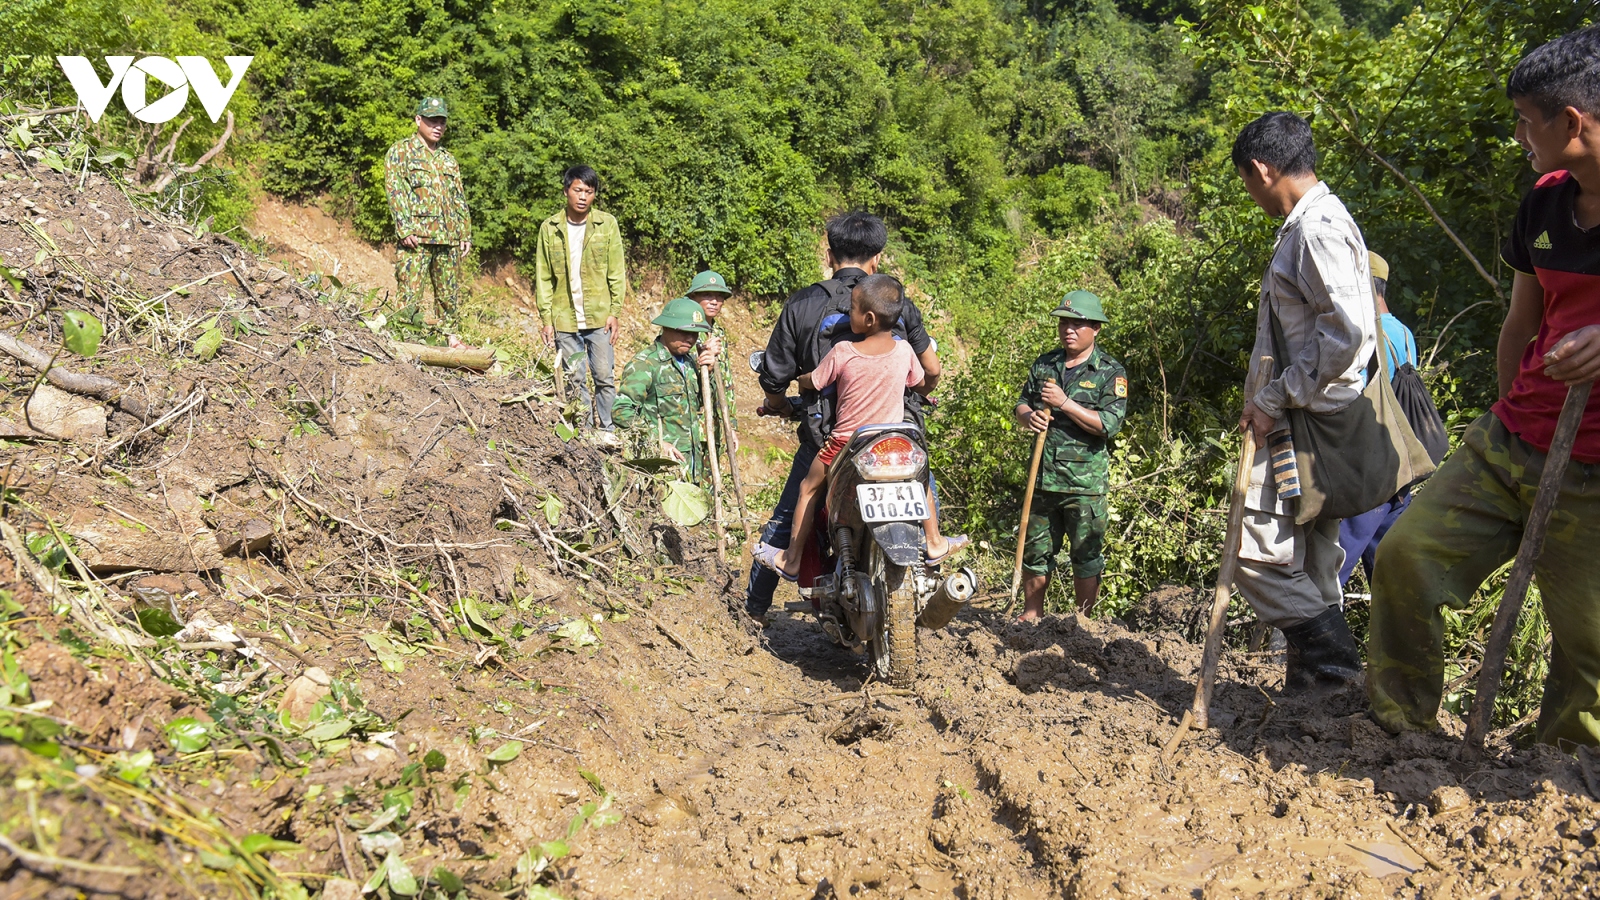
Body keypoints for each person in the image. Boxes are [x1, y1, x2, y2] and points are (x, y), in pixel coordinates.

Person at [1367, 27, 1600, 745]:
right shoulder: (1545, 202)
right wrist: (1507, 419)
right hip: (1510, 441)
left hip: (1594, 472)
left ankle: (1563, 772)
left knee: (1590, 643)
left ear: (1573, 122)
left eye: (1527, 122)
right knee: (1406, 555)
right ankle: (1400, 727)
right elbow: (1518, 322)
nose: (1520, 138)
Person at [1233, 111, 1377, 692]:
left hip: (1304, 422)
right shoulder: (1311, 223)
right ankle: (1320, 695)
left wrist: (1274, 396)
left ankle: (1339, 670)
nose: (1251, 193)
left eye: (1247, 181)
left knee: (1255, 558)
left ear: (1263, 170)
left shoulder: (1314, 229)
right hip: (1309, 419)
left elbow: (1348, 335)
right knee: (1317, 558)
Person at [745, 212, 942, 619]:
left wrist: (780, 405)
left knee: (789, 515)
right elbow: (932, 372)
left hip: (831, 438)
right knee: (920, 481)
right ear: (877, 258)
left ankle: (753, 610)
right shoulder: (895, 303)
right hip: (893, 434)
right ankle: (932, 556)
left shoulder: (803, 303)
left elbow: (776, 377)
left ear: (830, 252)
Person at [753, 274, 966, 581]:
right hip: (892, 442)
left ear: (867, 318)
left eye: (852, 309)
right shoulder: (905, 350)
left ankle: (791, 559)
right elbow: (918, 383)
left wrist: (800, 378)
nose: (847, 314)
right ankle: (933, 542)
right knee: (920, 481)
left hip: (846, 444)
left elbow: (814, 381)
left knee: (808, 489)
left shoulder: (842, 353)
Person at [1014, 291, 1127, 621]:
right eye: (1064, 322)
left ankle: (1082, 622)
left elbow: (1109, 424)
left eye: (1077, 324)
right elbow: (1023, 402)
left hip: (1083, 485)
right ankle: (1030, 614)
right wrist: (1028, 416)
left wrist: (1065, 403)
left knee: (1086, 556)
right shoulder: (1046, 364)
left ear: (1095, 328)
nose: (1068, 330)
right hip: (1043, 478)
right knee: (1036, 552)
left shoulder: (1109, 372)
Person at [1336, 251, 1420, 589]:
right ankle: (1390, 640)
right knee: (1387, 574)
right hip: (1400, 467)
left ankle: (1309, 639)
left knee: (1332, 565)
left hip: (1371, 467)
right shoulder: (1402, 332)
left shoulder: (1367, 335)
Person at [535, 165, 627, 442]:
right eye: (577, 190)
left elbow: (616, 270)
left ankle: (608, 432)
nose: (583, 197)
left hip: (599, 317)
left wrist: (615, 312)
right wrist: (546, 319)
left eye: (589, 191)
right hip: (564, 318)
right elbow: (543, 276)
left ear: (594, 195)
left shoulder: (606, 224)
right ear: (566, 191)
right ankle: (584, 434)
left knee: (604, 377)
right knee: (575, 380)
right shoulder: (550, 229)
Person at [384, 97, 471, 325]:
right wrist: (404, 228)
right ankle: (403, 344)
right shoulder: (401, 152)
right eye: (432, 121)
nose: (438, 127)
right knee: (409, 296)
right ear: (418, 120)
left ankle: (449, 344)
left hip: (448, 240)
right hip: (417, 240)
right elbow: (396, 191)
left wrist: (465, 233)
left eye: (441, 121)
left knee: (448, 299)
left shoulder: (448, 159)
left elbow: (458, 197)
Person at [612, 297, 719, 482]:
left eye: (695, 333)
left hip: (692, 466)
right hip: (662, 467)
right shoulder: (645, 364)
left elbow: (699, 405)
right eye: (684, 331)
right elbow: (621, 411)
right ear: (666, 328)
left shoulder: (691, 362)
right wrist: (656, 442)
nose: (690, 338)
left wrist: (707, 374)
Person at [688, 269, 738, 454]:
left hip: (717, 424)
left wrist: (730, 426)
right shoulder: (685, 331)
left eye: (719, 296)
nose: (714, 301)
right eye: (707, 295)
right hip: (693, 426)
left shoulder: (719, 333)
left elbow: (727, 382)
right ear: (693, 297)